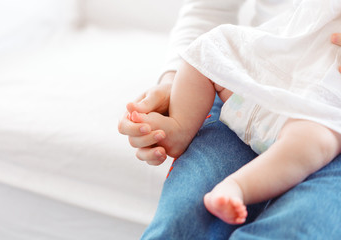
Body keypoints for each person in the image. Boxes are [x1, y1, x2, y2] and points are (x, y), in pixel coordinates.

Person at [118, 0, 341, 238]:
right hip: (261, 71)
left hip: (323, 104)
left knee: (292, 226)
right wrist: (172, 85)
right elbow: (207, 12)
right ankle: (179, 128)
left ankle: (239, 186)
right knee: (180, 222)